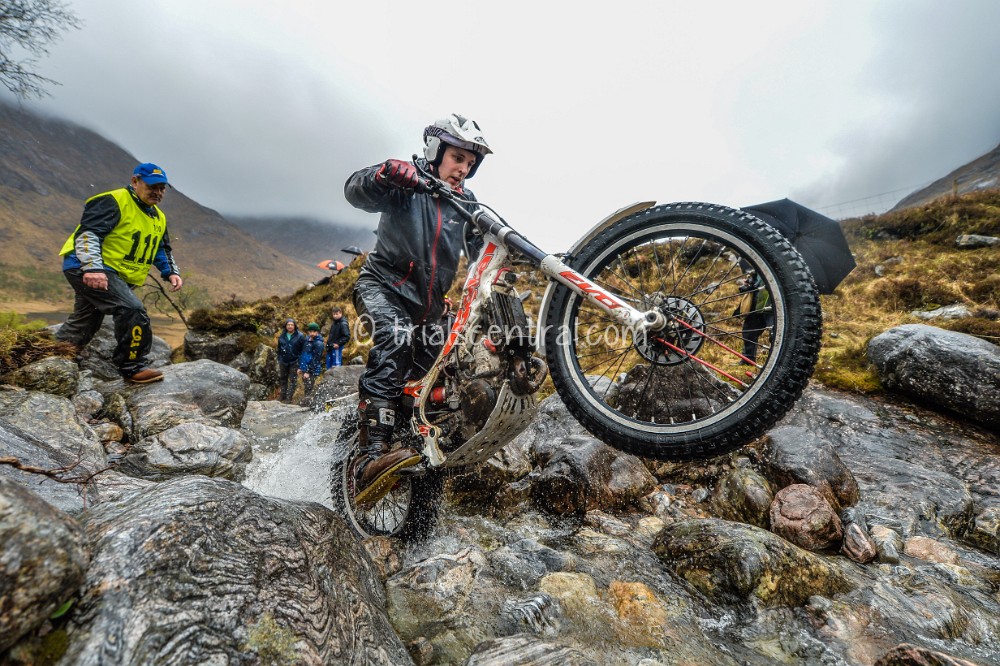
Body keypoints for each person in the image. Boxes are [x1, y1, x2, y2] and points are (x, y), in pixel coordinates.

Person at [344, 113, 490, 500]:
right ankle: (367, 458)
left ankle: (422, 450)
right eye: (457, 158)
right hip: (382, 287)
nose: (463, 169)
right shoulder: (405, 183)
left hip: (430, 311)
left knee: (445, 371)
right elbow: (354, 191)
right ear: (436, 150)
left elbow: (483, 252)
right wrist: (383, 175)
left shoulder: (466, 204)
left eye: (470, 163)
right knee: (395, 337)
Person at [56, 163, 182, 384]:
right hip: (88, 267)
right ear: (135, 182)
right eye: (152, 186)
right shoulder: (113, 201)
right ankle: (133, 367)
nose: (158, 192)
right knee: (132, 310)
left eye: (162, 188)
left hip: (111, 273)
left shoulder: (158, 217)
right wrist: (93, 268)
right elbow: (89, 234)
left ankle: (55, 357)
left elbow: (161, 249)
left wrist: (170, 271)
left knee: (85, 321)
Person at [276, 318, 305, 402]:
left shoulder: (300, 336)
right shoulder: (282, 336)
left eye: (292, 325)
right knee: (283, 379)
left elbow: (303, 350)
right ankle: (283, 396)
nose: (290, 326)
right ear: (286, 326)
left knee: (292, 380)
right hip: (283, 361)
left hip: (294, 361)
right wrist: (280, 359)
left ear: (294, 326)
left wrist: (300, 362)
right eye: (288, 325)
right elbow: (279, 349)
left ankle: (289, 398)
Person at [298, 322, 325, 399]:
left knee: (309, 388)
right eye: (310, 331)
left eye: (314, 331)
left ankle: (309, 403)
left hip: (312, 370)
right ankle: (306, 401)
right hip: (305, 368)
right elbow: (303, 354)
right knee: (306, 387)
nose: (312, 333)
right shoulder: (307, 340)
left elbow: (316, 359)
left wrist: (309, 371)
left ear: (317, 332)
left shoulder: (319, 343)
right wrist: (301, 367)